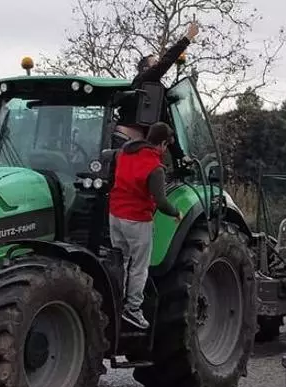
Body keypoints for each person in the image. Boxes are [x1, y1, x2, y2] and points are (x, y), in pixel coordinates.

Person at [109, 122, 182, 329]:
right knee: (139, 266)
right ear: (162, 144)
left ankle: (116, 301)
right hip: (137, 219)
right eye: (166, 145)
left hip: (115, 215)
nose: (165, 150)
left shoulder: (124, 152)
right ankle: (133, 309)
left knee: (120, 261)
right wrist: (176, 212)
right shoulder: (155, 168)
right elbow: (161, 201)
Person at [113, 22, 200, 148]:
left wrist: (179, 154)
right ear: (146, 69)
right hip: (134, 145)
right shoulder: (144, 79)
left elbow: (165, 124)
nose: (158, 65)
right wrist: (187, 38)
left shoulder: (155, 95)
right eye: (155, 63)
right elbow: (167, 61)